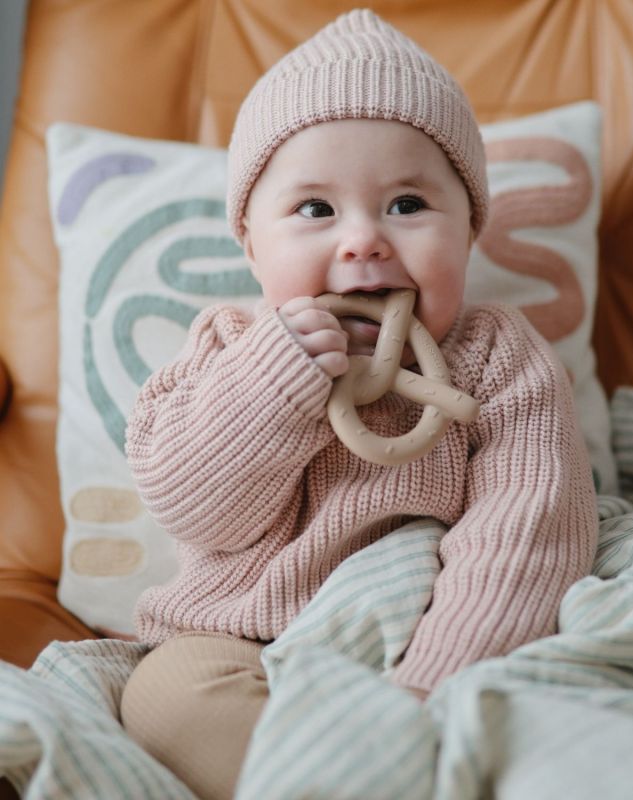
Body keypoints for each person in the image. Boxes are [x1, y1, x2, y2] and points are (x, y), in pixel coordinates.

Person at [120, 9, 598, 799]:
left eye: (408, 204)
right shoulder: (226, 347)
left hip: (424, 634)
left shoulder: (495, 356)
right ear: (250, 244)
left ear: (469, 234)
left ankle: (408, 754)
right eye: (315, 210)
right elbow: (192, 506)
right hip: (244, 638)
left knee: (535, 704)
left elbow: (529, 533)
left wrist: (434, 687)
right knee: (167, 703)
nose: (364, 241)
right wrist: (273, 382)